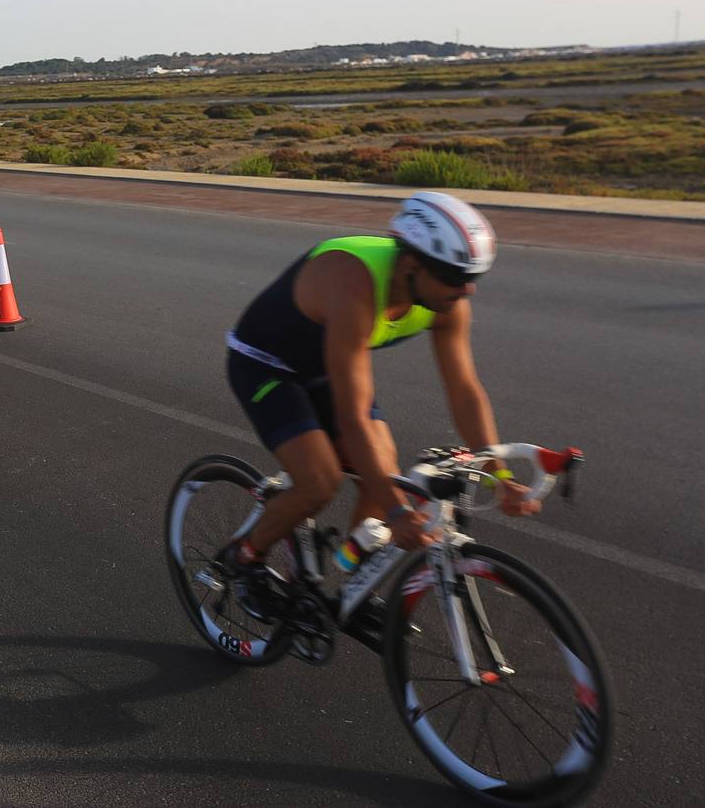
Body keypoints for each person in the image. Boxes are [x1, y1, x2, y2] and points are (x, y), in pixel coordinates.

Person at [221, 191, 540, 616]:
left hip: (329, 367)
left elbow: (464, 390)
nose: (467, 290)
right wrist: (396, 511)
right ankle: (244, 559)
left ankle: (354, 584)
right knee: (319, 481)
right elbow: (353, 418)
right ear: (411, 264)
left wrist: (498, 473)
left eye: (474, 277)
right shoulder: (353, 283)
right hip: (266, 366)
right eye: (454, 276)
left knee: (383, 470)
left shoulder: (447, 300)